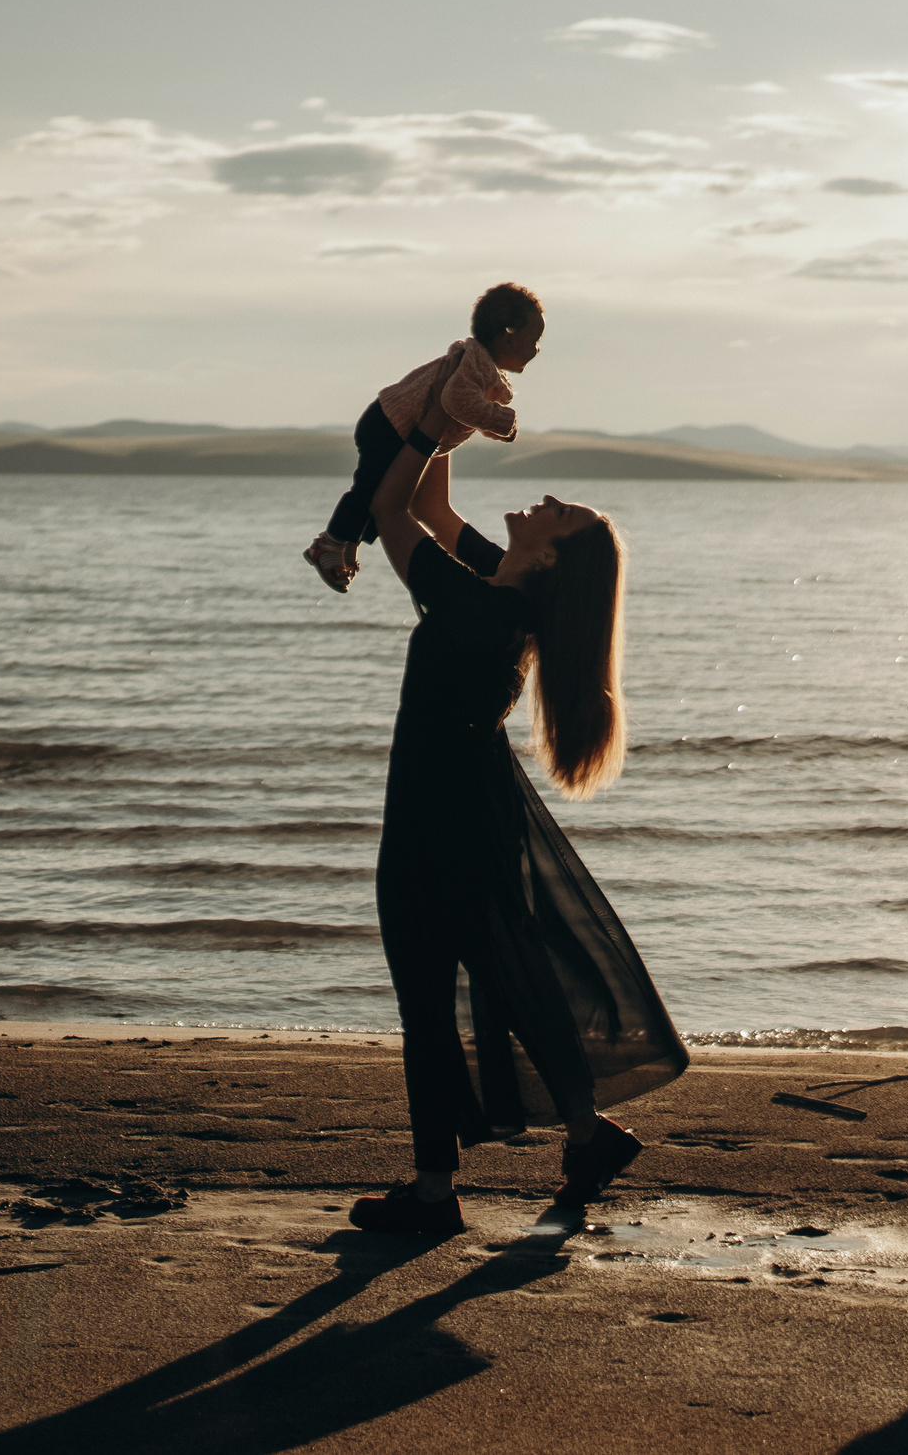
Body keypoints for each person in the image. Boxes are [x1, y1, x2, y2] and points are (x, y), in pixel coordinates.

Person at [344, 362, 688, 1236]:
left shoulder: (478, 609)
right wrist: (450, 409)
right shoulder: (505, 590)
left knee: (428, 995)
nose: (542, 500)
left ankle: (435, 1191)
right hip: (469, 807)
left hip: (437, 817)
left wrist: (424, 436)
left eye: (558, 512)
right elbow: (436, 514)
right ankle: (583, 1131)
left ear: (553, 554)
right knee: (506, 972)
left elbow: (392, 513)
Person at [305, 282, 547, 593]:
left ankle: (345, 546)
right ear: (508, 337)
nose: (537, 349)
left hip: (399, 426)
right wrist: (502, 420)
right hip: (390, 424)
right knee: (368, 491)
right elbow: (456, 404)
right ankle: (330, 543)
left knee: (378, 492)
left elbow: (464, 410)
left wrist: (489, 424)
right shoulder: (472, 365)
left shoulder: (483, 369)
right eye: (534, 340)